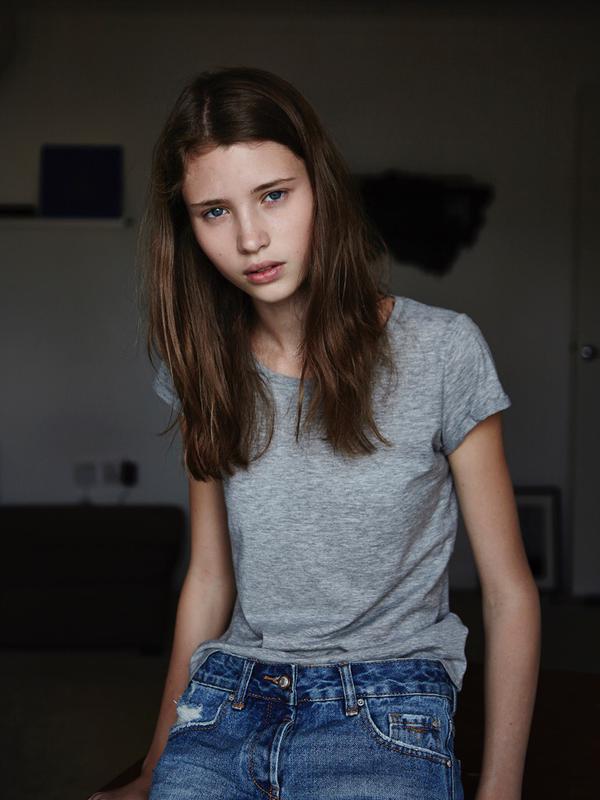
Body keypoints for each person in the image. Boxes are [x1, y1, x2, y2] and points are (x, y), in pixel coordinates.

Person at [90, 66, 541, 800]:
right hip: (231, 695)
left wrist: (500, 791)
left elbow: (509, 591)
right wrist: (152, 768)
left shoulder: (442, 351)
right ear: (188, 227)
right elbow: (208, 579)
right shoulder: (204, 365)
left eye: (274, 195)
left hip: (388, 701)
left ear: (320, 187)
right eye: (214, 211)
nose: (250, 238)